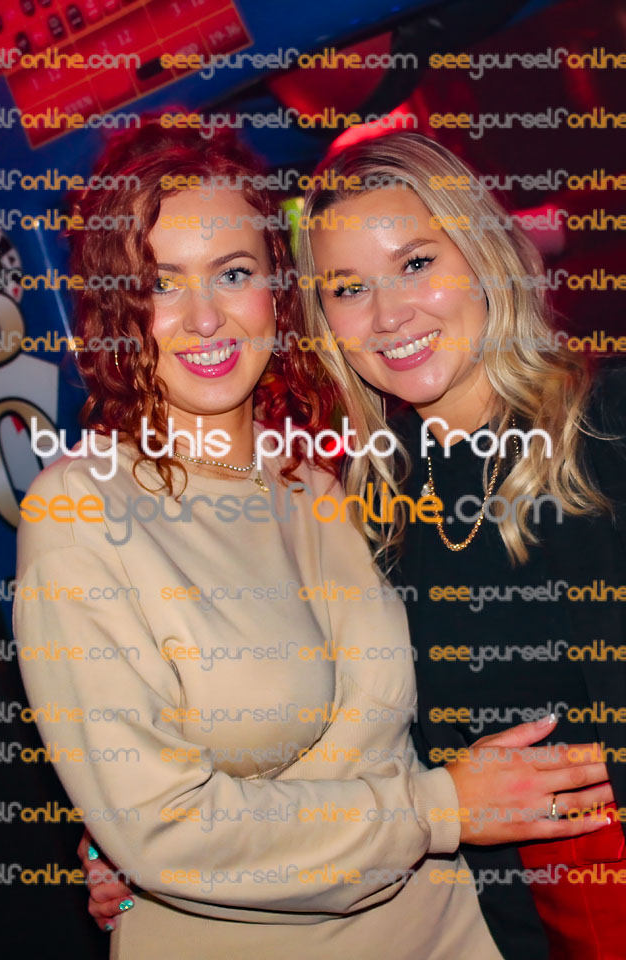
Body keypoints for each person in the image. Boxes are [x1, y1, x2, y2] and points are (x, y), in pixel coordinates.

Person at [26, 122, 610, 959]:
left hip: (463, 932)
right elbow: (165, 827)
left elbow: (413, 724)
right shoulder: (82, 511)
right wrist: (132, 836)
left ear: (278, 292)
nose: (204, 318)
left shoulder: (329, 484)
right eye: (161, 284)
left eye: (233, 273)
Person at [294, 131, 626, 959]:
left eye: (416, 263)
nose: (388, 315)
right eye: (348, 288)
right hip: (502, 927)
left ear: (483, 256)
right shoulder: (367, 510)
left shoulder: (609, 427)